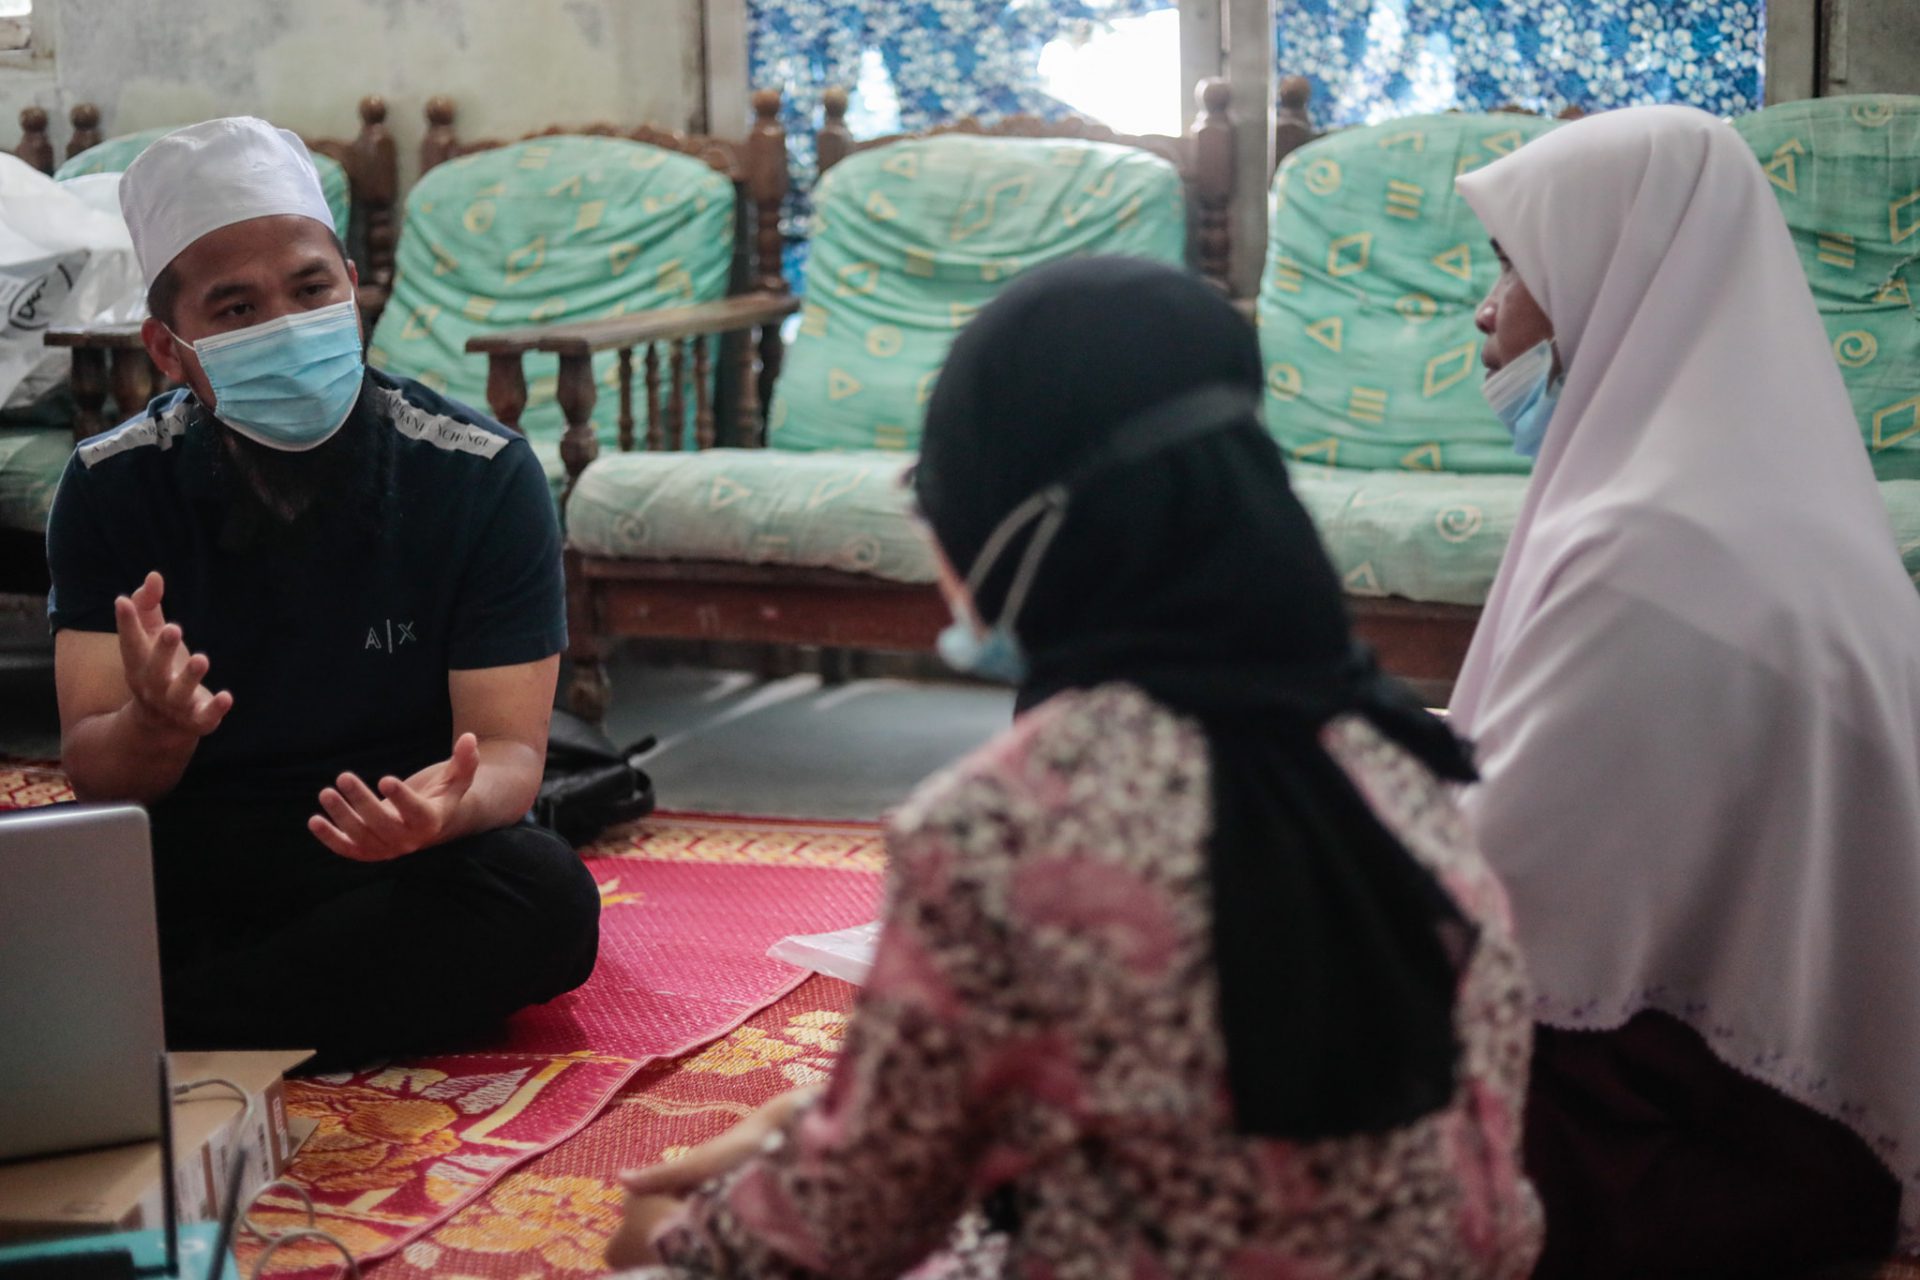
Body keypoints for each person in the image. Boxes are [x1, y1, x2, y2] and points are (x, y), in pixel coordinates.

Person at [604, 258, 1541, 1278]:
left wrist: (671, 1237)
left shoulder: (1006, 823)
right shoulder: (1399, 760)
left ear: (1015, 521)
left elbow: (842, 1226)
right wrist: (801, 1127)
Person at [1452, 105, 1920, 1275]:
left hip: (1729, 1153)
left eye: (1513, 267)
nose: (1486, 311)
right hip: (1810, 1117)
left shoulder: (1649, 552)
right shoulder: (1755, 495)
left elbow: (1501, 896)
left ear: (1615, 274)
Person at [46, 117, 600, 1066]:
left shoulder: (480, 474)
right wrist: (158, 726)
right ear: (169, 350)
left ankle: (150, 1027)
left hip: (397, 845)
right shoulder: (111, 485)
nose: (287, 327)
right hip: (199, 838)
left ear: (351, 286)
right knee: (43, 881)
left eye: (310, 291)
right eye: (236, 309)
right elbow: (98, 774)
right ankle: (253, 1010)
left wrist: (443, 811)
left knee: (543, 900)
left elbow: (509, 751)